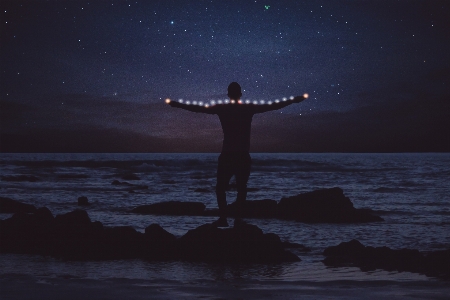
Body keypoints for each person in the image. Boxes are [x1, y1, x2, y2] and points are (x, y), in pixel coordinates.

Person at [166, 82, 307, 227]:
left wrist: (178, 104)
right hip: (241, 155)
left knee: (222, 188)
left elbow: (198, 108)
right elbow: (272, 106)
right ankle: (236, 219)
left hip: (228, 154)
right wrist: (293, 100)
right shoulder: (247, 108)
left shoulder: (224, 108)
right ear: (240, 94)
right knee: (241, 188)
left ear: (228, 95)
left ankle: (224, 218)